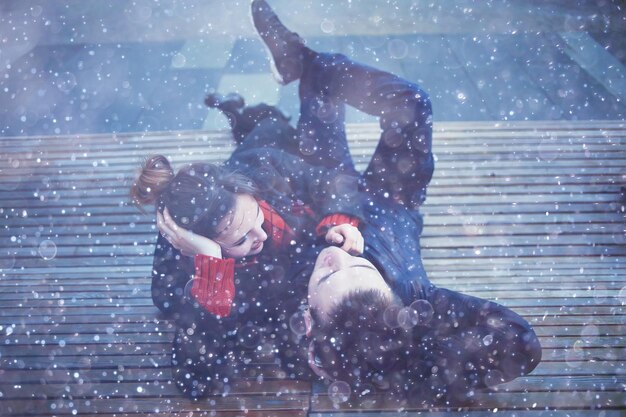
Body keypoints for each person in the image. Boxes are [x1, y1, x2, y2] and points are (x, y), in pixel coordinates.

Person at [131, 0, 541, 403]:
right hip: (390, 199)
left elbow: (197, 379)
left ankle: (304, 64)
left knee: (336, 125)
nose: (336, 255)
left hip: (330, 194)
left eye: (328, 273)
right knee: (413, 103)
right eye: (358, 264)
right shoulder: (407, 299)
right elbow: (520, 343)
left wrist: (336, 220)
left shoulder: (293, 298)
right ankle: (305, 64)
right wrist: (212, 263)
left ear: (308, 317)